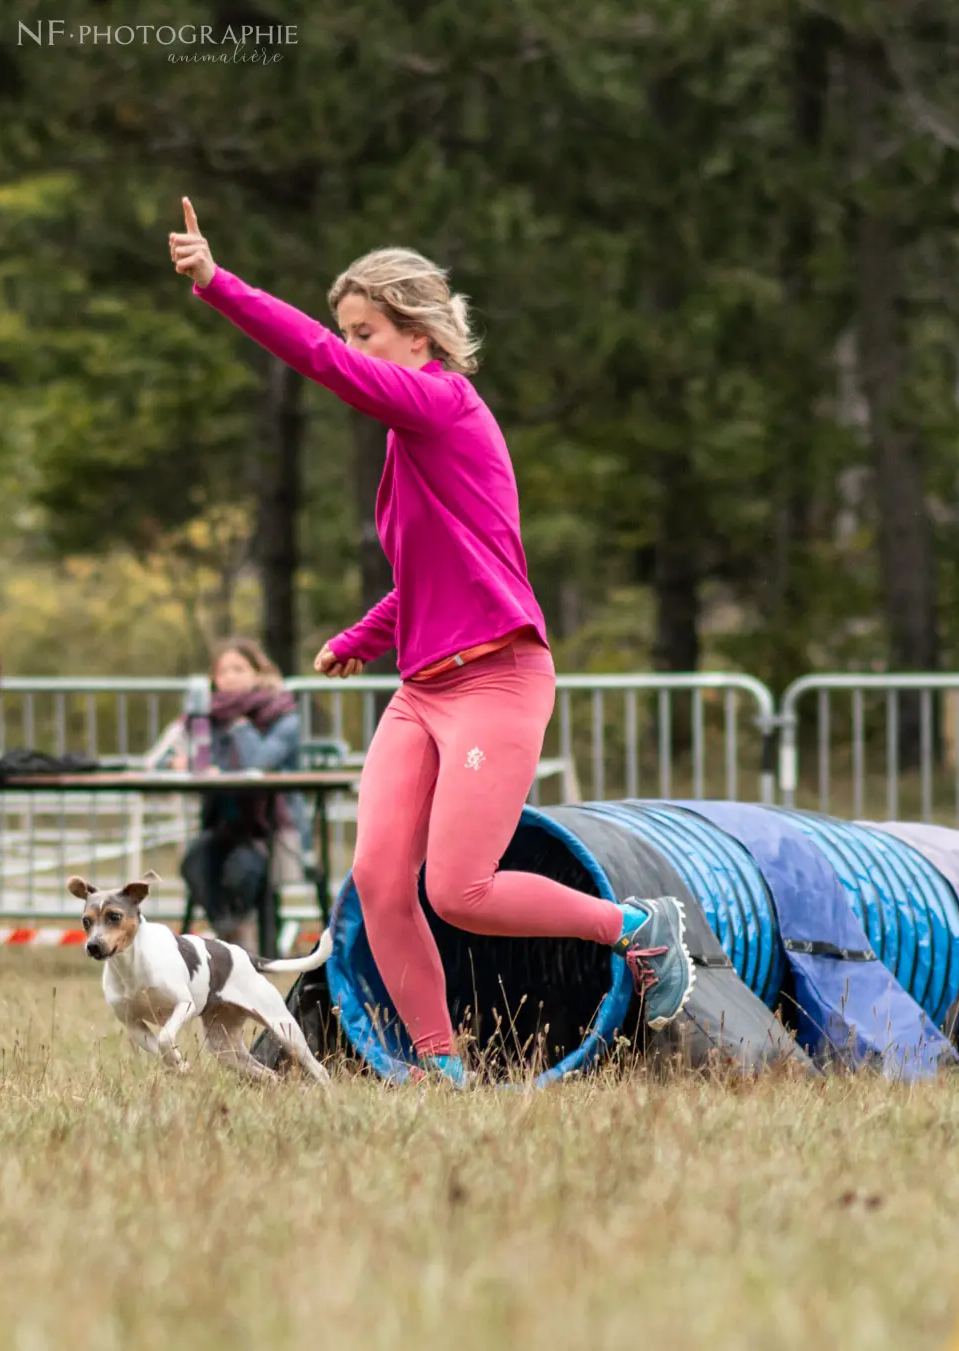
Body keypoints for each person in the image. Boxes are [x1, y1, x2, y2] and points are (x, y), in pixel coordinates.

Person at [169, 198, 694, 1087]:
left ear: (420, 336)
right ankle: (437, 1066)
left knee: (461, 889)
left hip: (499, 680)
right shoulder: (408, 443)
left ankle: (638, 930)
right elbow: (436, 572)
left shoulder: (444, 407)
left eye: (368, 330)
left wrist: (220, 285)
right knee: (379, 881)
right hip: (423, 689)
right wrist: (364, 638)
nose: (357, 346)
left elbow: (321, 362)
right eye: (351, 331)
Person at [177, 638, 307, 954]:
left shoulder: (282, 715)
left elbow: (258, 763)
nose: (230, 677)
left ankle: (233, 945)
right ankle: (231, 938)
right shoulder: (205, 716)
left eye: (239, 668)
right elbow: (196, 759)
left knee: (242, 868)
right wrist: (188, 761)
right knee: (194, 861)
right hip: (221, 823)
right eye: (223, 671)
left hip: (269, 830)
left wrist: (239, 726)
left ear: (258, 672)